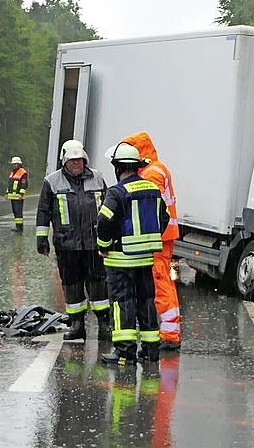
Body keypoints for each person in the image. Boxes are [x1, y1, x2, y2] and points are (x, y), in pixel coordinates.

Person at [97, 143, 169, 366]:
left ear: (118, 168)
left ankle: (124, 352)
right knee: (146, 302)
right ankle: (150, 350)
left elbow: (103, 222)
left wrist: (104, 245)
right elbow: (163, 219)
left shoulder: (116, 192)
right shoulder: (152, 190)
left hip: (120, 259)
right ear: (137, 167)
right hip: (145, 258)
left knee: (122, 303)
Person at [36, 140, 110, 340]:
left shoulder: (97, 178)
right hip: (66, 244)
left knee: (99, 284)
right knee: (71, 284)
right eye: (72, 160)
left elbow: (109, 207)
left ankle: (104, 324)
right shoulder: (52, 182)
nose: (77, 164)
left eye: (79, 160)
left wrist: (111, 236)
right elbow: (43, 211)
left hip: (94, 243)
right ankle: (77, 325)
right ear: (64, 161)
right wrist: (42, 238)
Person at [121, 132, 181, 350]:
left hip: (158, 236)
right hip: (163, 235)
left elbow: (145, 204)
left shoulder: (151, 173)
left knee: (159, 282)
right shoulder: (156, 168)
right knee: (162, 280)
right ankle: (168, 331)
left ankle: (169, 334)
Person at [6, 156, 28, 232]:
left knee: (18, 213)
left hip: (18, 196)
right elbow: (10, 184)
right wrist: (7, 193)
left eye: (16, 164)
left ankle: (20, 228)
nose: (14, 165)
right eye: (13, 164)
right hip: (12, 196)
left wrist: (21, 194)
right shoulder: (12, 172)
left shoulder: (23, 172)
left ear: (19, 164)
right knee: (15, 212)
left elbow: (24, 184)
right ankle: (17, 226)